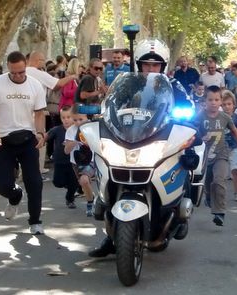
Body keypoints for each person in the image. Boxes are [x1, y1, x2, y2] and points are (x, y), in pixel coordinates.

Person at [88, 38, 193, 257]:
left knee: (189, 159)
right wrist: (105, 117)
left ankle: (180, 211)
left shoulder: (174, 85)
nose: (151, 68)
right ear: (139, 65)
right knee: (108, 168)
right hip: (130, 136)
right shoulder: (127, 85)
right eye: (147, 64)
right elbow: (113, 106)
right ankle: (110, 236)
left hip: (162, 136)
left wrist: (191, 122)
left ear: (163, 66)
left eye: (156, 65)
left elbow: (189, 109)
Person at [0, 51, 47, 235]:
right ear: (8, 68)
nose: (18, 76)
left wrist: (41, 133)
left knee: (34, 182)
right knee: (2, 186)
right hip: (3, 139)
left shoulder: (35, 85)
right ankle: (14, 196)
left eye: (21, 72)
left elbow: (40, 113)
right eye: (14, 73)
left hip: (27, 139)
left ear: (25, 66)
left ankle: (35, 221)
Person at [195, 86, 237, 225]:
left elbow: (235, 131)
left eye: (216, 99)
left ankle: (219, 212)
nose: (213, 102)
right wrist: (200, 137)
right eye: (210, 99)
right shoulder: (199, 116)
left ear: (220, 102)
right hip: (205, 156)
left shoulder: (224, 117)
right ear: (205, 101)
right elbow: (191, 130)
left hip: (221, 154)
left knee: (219, 180)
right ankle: (208, 196)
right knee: (208, 182)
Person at [64, 106, 95, 216]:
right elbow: (66, 151)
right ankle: (91, 199)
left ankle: (91, 203)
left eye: (81, 119)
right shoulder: (70, 130)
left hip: (91, 159)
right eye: (75, 120)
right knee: (83, 183)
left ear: (87, 116)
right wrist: (74, 141)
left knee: (84, 180)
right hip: (77, 162)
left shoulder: (93, 127)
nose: (78, 122)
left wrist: (89, 142)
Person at [47, 106, 79, 208]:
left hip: (73, 162)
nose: (66, 120)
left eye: (68, 117)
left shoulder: (77, 130)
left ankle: (70, 200)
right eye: (63, 117)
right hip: (59, 161)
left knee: (73, 183)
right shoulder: (57, 130)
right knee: (58, 182)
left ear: (73, 117)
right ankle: (67, 184)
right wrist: (41, 139)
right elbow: (47, 136)